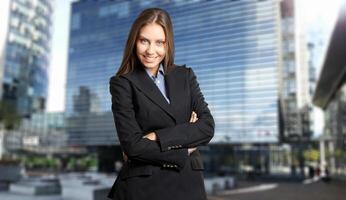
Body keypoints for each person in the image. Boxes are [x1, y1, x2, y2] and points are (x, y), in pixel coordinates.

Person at [107, 7, 215, 200]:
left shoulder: (185, 76)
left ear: (167, 45)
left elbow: (206, 127)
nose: (151, 50)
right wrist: (186, 144)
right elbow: (133, 147)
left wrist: (156, 136)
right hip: (144, 188)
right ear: (134, 41)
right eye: (144, 41)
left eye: (159, 43)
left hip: (189, 185)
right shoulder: (122, 83)